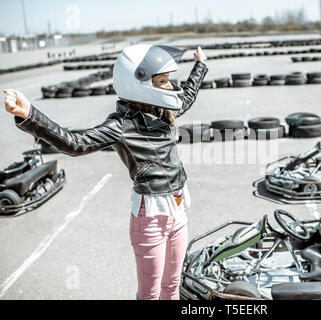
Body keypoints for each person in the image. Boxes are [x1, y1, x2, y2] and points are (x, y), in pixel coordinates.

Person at [3, 44, 208, 300]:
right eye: (163, 81)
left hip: (178, 210)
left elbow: (185, 97)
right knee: (151, 294)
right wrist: (30, 116)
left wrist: (200, 65)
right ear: (140, 84)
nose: (170, 87)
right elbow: (75, 143)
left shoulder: (161, 109)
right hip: (151, 218)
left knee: (172, 286)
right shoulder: (120, 125)